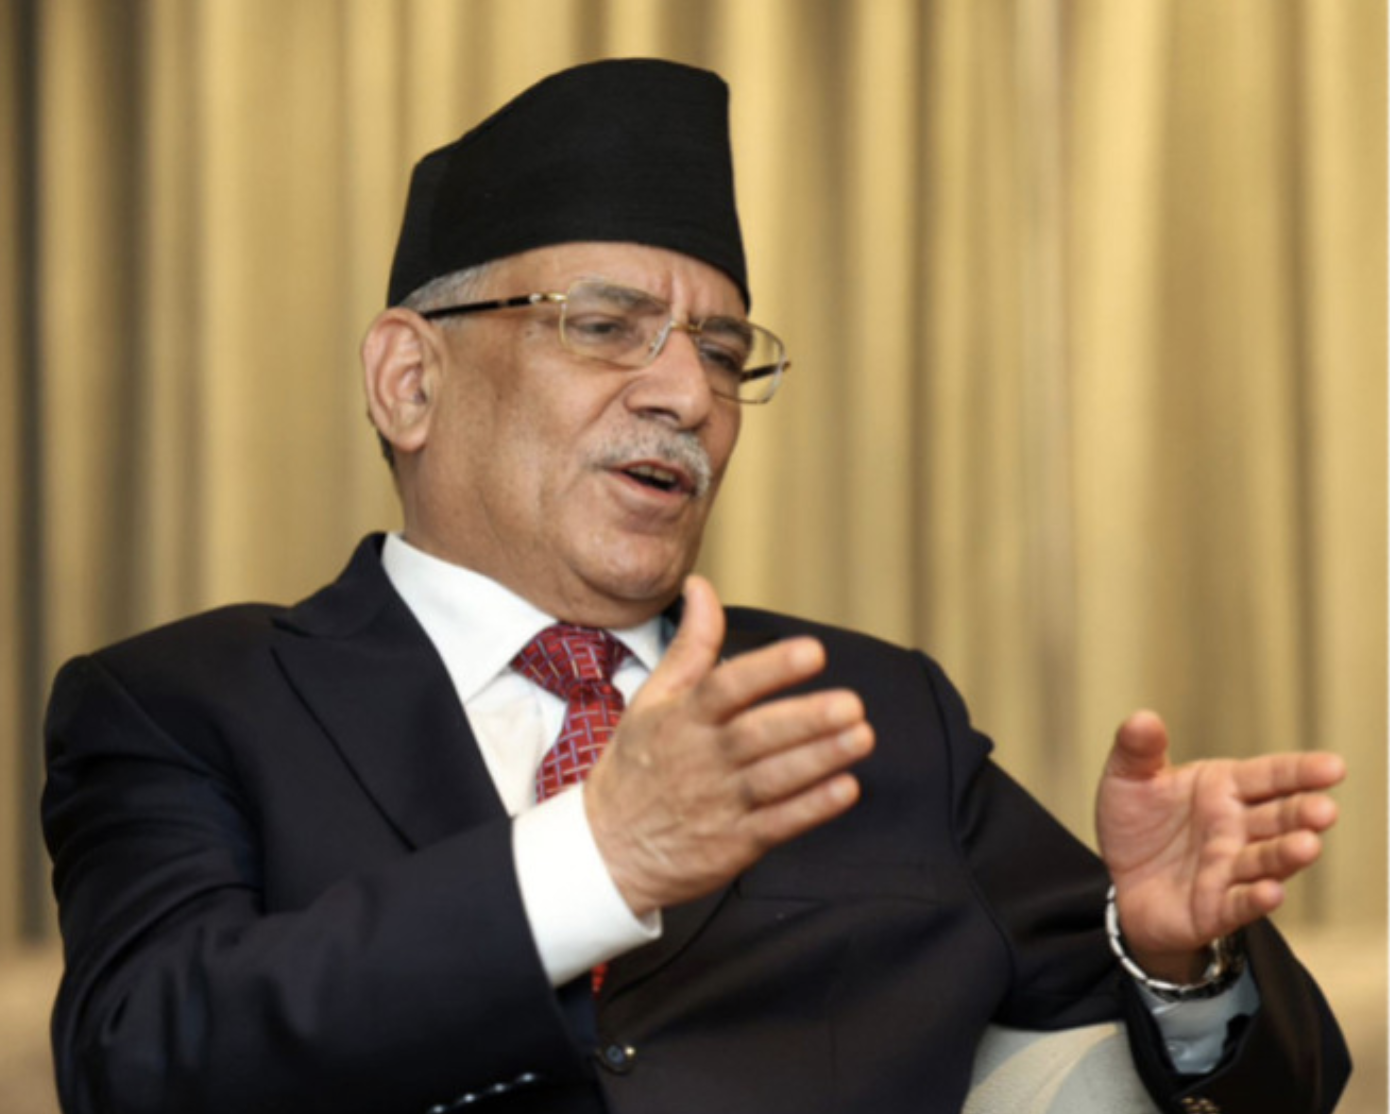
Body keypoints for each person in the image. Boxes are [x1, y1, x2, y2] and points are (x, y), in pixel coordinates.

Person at [42, 58, 1349, 1114]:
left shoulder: (866, 713)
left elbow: (1270, 1086)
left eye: (722, 351)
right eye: (604, 326)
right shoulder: (187, 704)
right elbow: (140, 1060)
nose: (685, 393)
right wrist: (595, 861)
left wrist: (1175, 955)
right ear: (410, 380)